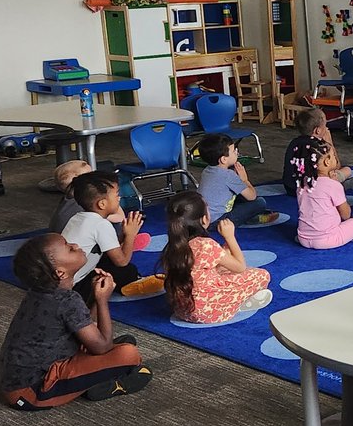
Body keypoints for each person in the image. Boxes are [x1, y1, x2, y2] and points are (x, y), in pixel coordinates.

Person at [0, 233, 151, 410]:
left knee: (121, 342)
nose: (76, 245)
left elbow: (87, 326)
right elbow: (102, 347)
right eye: (70, 248)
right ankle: (111, 384)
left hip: (20, 380)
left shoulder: (39, 292)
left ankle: (94, 377)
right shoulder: (67, 300)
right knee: (128, 354)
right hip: (32, 392)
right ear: (60, 273)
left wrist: (95, 297)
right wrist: (102, 301)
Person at [160, 190, 272, 324]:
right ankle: (234, 304)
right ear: (204, 219)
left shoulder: (173, 246)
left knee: (222, 270)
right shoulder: (205, 245)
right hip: (210, 312)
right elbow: (240, 267)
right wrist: (230, 237)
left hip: (183, 311)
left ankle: (231, 301)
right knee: (262, 275)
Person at [61, 171, 163, 303]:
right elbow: (121, 261)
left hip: (64, 279)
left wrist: (123, 235)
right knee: (127, 270)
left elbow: (105, 247)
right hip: (75, 288)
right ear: (102, 204)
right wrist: (130, 236)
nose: (119, 198)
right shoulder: (101, 224)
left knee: (111, 261)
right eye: (117, 195)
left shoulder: (77, 217)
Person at [290, 135, 353, 249]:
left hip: (303, 238)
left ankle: (314, 237)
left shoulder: (303, 183)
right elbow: (346, 215)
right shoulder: (333, 185)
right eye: (333, 156)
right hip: (328, 239)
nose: (335, 158)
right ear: (327, 162)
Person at [197, 133, 279, 228]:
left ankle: (250, 216)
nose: (237, 152)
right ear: (223, 159)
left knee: (240, 195)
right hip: (218, 222)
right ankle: (253, 218)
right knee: (259, 202)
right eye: (233, 151)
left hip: (202, 218)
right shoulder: (228, 175)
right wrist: (245, 180)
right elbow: (252, 196)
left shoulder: (207, 170)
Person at [283, 107, 353, 197]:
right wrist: (329, 142)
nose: (326, 128)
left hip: (291, 188)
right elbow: (336, 166)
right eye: (325, 126)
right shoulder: (321, 146)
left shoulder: (293, 142)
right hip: (314, 189)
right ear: (318, 130)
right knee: (347, 170)